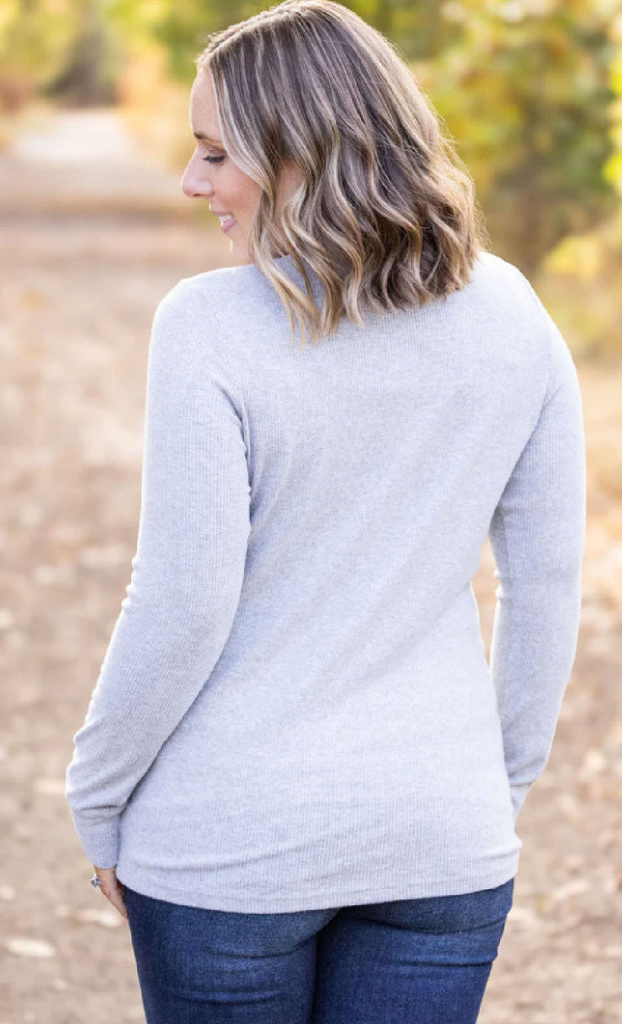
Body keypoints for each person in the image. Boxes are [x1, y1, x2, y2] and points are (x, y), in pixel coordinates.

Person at [64, 1, 586, 1021]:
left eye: (217, 152)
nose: (191, 181)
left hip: (227, 849)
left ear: (301, 151)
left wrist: (97, 795)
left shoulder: (209, 327)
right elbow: (546, 586)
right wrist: (492, 787)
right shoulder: (515, 313)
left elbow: (181, 600)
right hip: (439, 837)